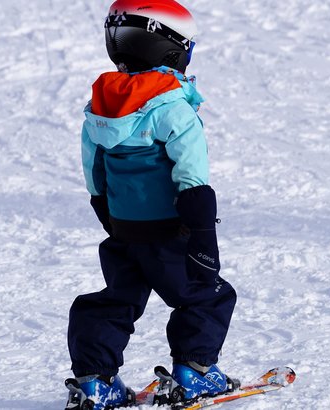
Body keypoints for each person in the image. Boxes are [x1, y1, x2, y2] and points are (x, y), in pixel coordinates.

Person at [64, 1, 237, 409]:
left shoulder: (101, 107)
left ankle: (95, 380)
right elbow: (192, 177)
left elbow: (94, 169)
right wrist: (202, 237)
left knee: (115, 299)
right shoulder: (172, 107)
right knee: (207, 296)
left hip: (124, 230)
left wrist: (108, 213)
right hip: (170, 231)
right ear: (172, 49)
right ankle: (195, 372)